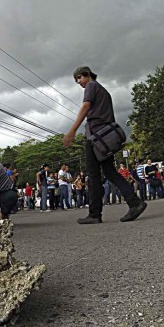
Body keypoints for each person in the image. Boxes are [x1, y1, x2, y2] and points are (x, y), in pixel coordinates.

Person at [63, 66, 146, 224]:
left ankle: (95, 214)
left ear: (88, 75)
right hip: (104, 137)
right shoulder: (103, 91)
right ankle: (134, 203)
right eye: (76, 80)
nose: (79, 82)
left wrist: (72, 130)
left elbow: (86, 107)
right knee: (109, 172)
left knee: (93, 175)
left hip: (95, 136)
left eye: (79, 78)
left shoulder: (91, 86)